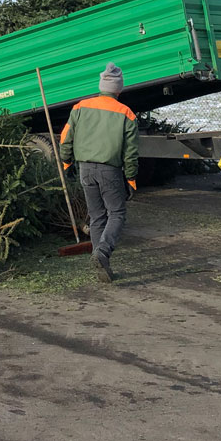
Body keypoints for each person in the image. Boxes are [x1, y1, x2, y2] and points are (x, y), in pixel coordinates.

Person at [59, 62, 139, 283]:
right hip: (109, 170)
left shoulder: (80, 107)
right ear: (119, 89)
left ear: (101, 85)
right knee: (117, 214)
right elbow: (131, 152)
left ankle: (101, 265)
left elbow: (65, 138)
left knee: (97, 216)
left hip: (85, 168)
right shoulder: (127, 114)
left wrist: (67, 163)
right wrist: (131, 179)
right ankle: (102, 253)